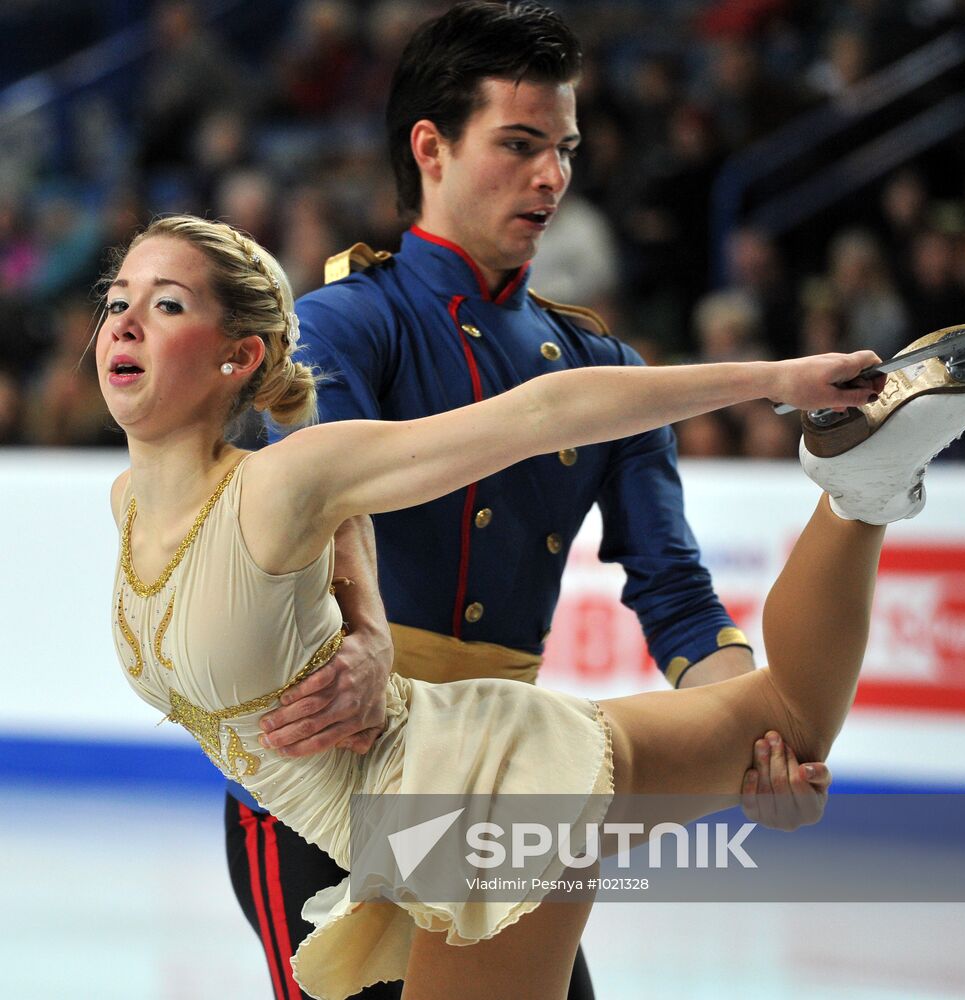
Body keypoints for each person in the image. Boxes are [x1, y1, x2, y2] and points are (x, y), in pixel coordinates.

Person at [100, 213, 965, 1000]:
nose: (126, 321)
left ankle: (857, 485)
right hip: (430, 786)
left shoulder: (281, 482)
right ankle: (862, 487)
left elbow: (543, 415)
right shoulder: (130, 502)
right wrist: (367, 627)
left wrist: (778, 378)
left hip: (460, 804)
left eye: (167, 303)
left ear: (239, 355)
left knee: (788, 721)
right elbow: (343, 534)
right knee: (785, 718)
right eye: (117, 300)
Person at [228, 7, 834, 996]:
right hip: (329, 777)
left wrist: (750, 739)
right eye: (518, 145)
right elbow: (327, 505)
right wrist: (371, 638)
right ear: (430, 147)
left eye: (563, 149)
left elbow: (676, 596)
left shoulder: (602, 367)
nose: (551, 178)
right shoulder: (338, 326)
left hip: (496, 779)